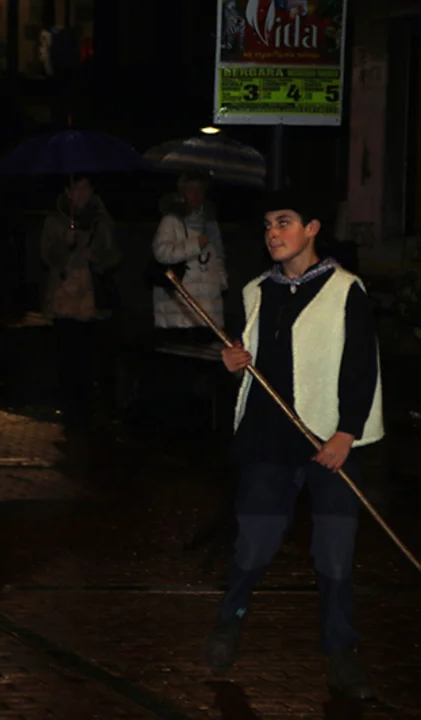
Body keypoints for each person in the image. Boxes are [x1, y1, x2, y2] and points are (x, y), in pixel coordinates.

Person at [205, 191, 383, 700]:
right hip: (268, 440)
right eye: (267, 225)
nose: (273, 233)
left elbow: (362, 365)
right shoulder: (256, 290)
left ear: (312, 228)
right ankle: (229, 622)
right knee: (254, 545)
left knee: (334, 554)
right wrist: (232, 361)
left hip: (330, 442)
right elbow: (248, 354)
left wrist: (347, 433)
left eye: (284, 222)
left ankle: (341, 655)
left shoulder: (345, 289)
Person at [40, 174, 120, 430]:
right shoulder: (56, 220)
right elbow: (47, 255)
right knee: (67, 357)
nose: (81, 193)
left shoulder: (102, 221)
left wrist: (95, 256)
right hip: (65, 300)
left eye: (86, 188)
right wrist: (66, 245)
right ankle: (70, 412)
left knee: (90, 359)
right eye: (76, 188)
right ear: (68, 191)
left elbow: (114, 256)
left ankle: (87, 412)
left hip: (92, 301)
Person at [151, 171, 227, 343]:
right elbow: (162, 253)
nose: (196, 194)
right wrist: (194, 245)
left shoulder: (210, 223)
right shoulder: (171, 221)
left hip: (208, 311)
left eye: (199, 189)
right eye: (191, 189)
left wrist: (221, 280)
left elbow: (219, 255)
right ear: (182, 192)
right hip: (179, 312)